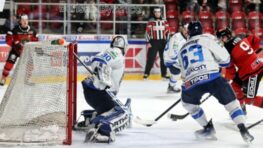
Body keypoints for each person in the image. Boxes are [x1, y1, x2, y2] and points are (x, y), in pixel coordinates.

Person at [175, 21, 254, 143]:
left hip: (191, 83)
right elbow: (226, 60)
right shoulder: (208, 38)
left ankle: (208, 128)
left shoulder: (182, 48)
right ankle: (243, 128)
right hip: (213, 78)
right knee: (232, 104)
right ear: (201, 30)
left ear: (188, 33)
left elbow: (184, 75)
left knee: (188, 104)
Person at [79, 36, 131, 143]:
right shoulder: (117, 53)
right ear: (125, 47)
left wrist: (104, 78)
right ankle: (103, 131)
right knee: (124, 114)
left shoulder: (110, 51)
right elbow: (99, 61)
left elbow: (97, 61)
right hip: (100, 93)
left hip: (95, 93)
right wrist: (104, 79)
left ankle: (91, 120)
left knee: (113, 110)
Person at [216, 27, 263, 113]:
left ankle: (244, 103)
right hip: (251, 69)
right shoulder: (241, 36)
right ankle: (242, 107)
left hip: (253, 72)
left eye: (220, 39)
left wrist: (225, 78)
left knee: (249, 99)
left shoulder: (226, 50)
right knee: (235, 85)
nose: (220, 41)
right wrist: (251, 53)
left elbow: (231, 72)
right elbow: (255, 39)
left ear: (225, 37)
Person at [0, 14, 38, 85]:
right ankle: (3, 78)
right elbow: (8, 39)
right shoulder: (14, 29)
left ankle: (27, 80)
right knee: (9, 64)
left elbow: (36, 41)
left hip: (27, 52)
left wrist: (34, 47)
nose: (25, 22)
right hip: (15, 51)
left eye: (26, 20)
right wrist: (15, 44)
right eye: (23, 20)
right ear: (20, 21)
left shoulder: (33, 30)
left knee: (30, 66)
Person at [144, 7, 170, 79]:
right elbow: (147, 32)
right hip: (153, 41)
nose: (157, 13)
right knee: (151, 58)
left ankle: (164, 74)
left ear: (160, 13)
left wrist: (167, 41)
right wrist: (148, 42)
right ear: (154, 13)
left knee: (164, 58)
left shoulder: (165, 21)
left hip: (163, 42)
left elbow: (168, 32)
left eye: (158, 12)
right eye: (156, 12)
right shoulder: (151, 22)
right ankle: (146, 73)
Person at [164, 23, 188, 93]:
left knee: (178, 71)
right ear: (182, 29)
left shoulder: (186, 37)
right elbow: (173, 53)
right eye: (185, 30)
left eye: (188, 30)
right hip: (170, 58)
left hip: (175, 58)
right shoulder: (177, 38)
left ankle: (171, 86)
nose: (187, 32)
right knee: (179, 70)